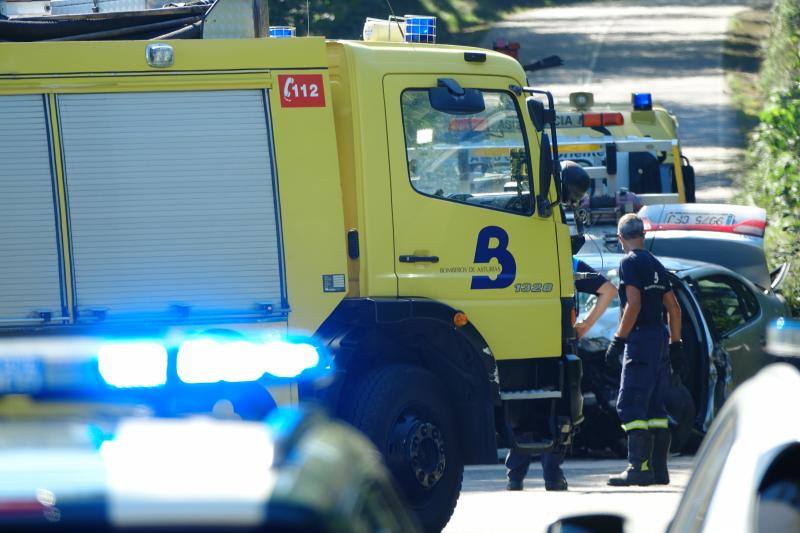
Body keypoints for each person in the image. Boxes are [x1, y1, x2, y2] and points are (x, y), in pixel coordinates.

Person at [506, 256, 618, 491]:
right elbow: (608, 290)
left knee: (524, 405)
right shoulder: (569, 264)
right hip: (560, 342)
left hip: (520, 342)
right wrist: (585, 326)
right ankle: (552, 475)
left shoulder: (517, 258)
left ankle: (515, 475)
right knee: (560, 409)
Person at [605, 213, 683, 487]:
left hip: (640, 341)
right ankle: (659, 470)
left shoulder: (628, 262)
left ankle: (638, 467)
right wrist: (676, 344)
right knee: (655, 409)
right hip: (660, 340)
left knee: (629, 405)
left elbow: (633, 305)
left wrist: (618, 339)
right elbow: (673, 308)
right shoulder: (656, 264)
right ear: (644, 235)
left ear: (620, 238)